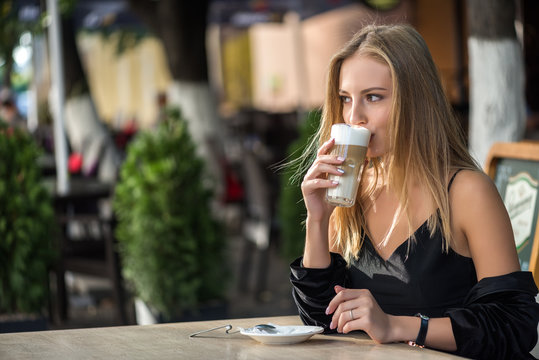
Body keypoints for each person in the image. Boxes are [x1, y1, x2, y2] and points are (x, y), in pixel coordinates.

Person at [289, 23, 539, 359]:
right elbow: (322, 321)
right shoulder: (351, 191)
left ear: (416, 100)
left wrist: (397, 326)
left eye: (373, 97)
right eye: (345, 99)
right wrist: (318, 220)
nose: (354, 117)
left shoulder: (466, 192)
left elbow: (512, 327)